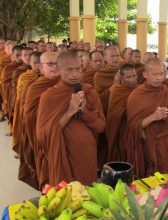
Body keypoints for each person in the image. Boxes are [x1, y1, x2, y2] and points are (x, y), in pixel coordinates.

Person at [36, 51, 105, 186]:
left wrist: (84, 111)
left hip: (86, 155)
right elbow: (42, 134)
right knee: (66, 197)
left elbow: (101, 126)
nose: (74, 74)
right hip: (62, 156)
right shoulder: (49, 96)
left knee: (87, 195)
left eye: (78, 69)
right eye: (69, 70)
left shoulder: (89, 92)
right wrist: (69, 112)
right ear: (59, 69)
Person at [125, 58, 168, 177]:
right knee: (146, 180)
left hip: (163, 142)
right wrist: (153, 117)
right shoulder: (136, 95)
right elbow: (132, 126)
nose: (159, 78)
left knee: (164, 178)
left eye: (161, 74)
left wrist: (166, 117)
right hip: (144, 144)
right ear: (145, 75)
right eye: (155, 74)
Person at [23, 52, 61, 189]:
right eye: (50, 64)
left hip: (64, 138)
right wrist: (51, 116)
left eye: (57, 63)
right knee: (49, 175)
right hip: (44, 138)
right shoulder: (35, 87)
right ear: (40, 67)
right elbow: (29, 117)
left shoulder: (67, 84)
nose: (55, 67)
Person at [13, 52, 41, 189]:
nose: (38, 66)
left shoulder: (54, 80)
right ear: (30, 62)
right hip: (31, 118)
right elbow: (22, 101)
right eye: (35, 63)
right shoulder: (25, 78)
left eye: (40, 63)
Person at [106, 63, 137, 162]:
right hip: (121, 129)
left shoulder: (140, 89)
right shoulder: (117, 91)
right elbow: (113, 114)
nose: (132, 79)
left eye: (134, 76)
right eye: (128, 77)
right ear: (122, 78)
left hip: (136, 129)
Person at [1, 45, 24, 135]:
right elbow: (4, 82)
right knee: (13, 112)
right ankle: (12, 129)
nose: (20, 58)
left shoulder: (27, 67)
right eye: (17, 55)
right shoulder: (9, 67)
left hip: (21, 94)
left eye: (21, 55)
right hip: (11, 93)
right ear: (12, 56)